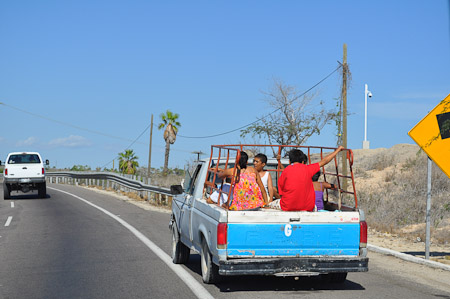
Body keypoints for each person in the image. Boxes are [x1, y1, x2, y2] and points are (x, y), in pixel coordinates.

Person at [269, 146, 344, 211]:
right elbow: (324, 161)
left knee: (270, 204)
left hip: (288, 206)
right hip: (308, 207)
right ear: (302, 161)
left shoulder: (286, 171)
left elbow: (281, 192)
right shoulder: (308, 169)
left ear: (289, 160)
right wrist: (338, 150)